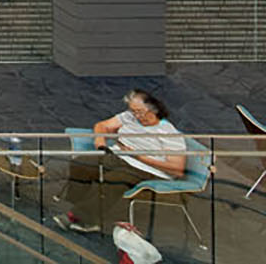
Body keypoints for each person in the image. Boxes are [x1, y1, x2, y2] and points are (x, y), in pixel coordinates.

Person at [62, 89, 186, 233]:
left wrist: (139, 156)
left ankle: (82, 218)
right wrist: (100, 141)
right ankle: (80, 207)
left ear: (153, 109)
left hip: (146, 169)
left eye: (139, 112)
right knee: (82, 163)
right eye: (133, 111)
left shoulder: (168, 132)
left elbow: (177, 169)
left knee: (114, 180)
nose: (136, 116)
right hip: (120, 156)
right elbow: (102, 125)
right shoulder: (129, 117)